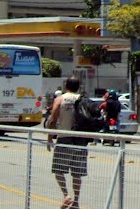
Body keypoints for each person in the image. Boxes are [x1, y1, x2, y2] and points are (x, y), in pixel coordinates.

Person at [47, 78, 86, 209]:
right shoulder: (83, 99)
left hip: (64, 138)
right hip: (81, 139)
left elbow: (52, 120)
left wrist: (49, 137)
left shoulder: (60, 99)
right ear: (78, 87)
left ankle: (66, 195)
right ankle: (76, 201)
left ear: (66, 86)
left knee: (58, 169)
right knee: (77, 173)